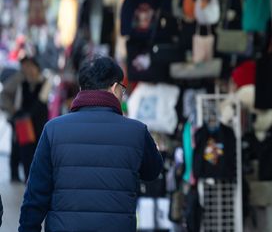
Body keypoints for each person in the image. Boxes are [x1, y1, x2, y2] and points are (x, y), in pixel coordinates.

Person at [18, 56, 163, 232]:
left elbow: (36, 195)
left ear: (81, 88)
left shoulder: (53, 129)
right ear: (115, 88)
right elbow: (152, 171)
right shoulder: (137, 131)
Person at [0, 57, 49, 182]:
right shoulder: (21, 81)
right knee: (22, 149)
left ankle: (34, 178)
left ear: (37, 67)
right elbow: (14, 100)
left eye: (30, 66)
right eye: (25, 66)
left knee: (37, 149)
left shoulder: (45, 81)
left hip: (38, 122)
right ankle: (19, 176)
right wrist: (14, 113)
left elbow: (41, 101)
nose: (28, 69)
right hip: (23, 122)